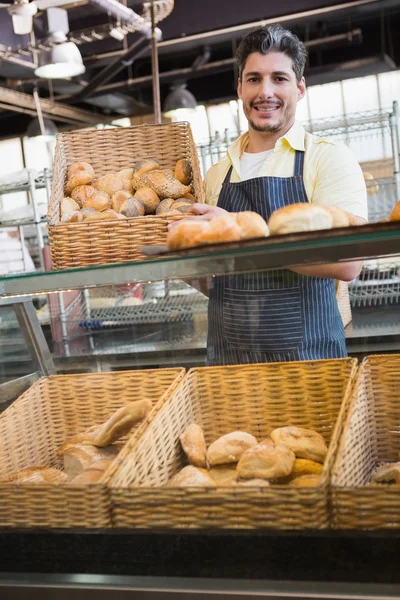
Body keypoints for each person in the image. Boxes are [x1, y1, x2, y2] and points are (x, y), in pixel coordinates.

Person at [189, 24, 368, 365]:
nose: (265, 92)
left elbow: (349, 262)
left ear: (300, 88)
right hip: (231, 366)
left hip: (311, 364)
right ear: (240, 88)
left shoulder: (327, 158)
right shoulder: (216, 174)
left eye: (279, 79)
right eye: (254, 79)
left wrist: (245, 234)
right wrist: (182, 264)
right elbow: (221, 283)